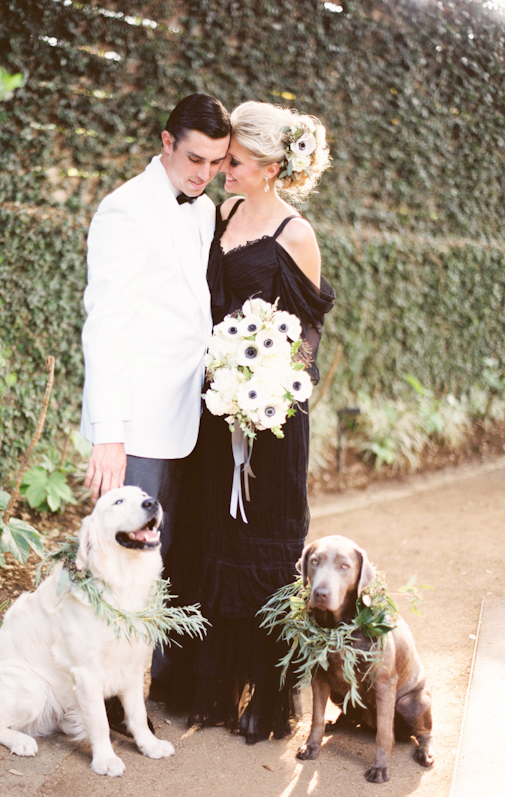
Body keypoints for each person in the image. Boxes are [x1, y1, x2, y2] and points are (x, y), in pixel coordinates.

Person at [166, 101, 336, 743]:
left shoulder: (296, 233)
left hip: (269, 421)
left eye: (233, 161)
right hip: (215, 412)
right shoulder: (223, 213)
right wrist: (223, 384)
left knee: (261, 550)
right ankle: (204, 687)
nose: (221, 169)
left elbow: (308, 333)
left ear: (268, 167)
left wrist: (268, 386)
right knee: (210, 538)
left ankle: (265, 701)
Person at [80, 94, 231, 711]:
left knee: (169, 556)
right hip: (137, 420)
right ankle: (107, 699)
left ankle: (160, 686)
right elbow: (105, 323)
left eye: (217, 163)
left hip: (189, 411)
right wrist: (109, 431)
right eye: (195, 158)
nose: (203, 174)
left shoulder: (204, 211)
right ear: (166, 142)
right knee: (121, 567)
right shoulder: (123, 211)